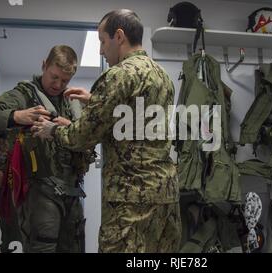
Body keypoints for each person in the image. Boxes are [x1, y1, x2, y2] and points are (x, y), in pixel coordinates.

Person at [32, 9, 181, 253]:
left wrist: (52, 130)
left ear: (119, 36)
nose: (101, 50)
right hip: (166, 193)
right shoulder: (161, 75)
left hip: (131, 199)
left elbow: (80, 138)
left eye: (102, 41)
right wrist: (95, 101)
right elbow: (136, 120)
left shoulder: (117, 75)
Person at [0, 45, 94, 253]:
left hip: (71, 197)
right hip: (32, 197)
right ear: (44, 65)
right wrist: (15, 116)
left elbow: (91, 139)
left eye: (65, 80)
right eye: (54, 77)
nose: (58, 84)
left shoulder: (72, 102)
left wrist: (70, 126)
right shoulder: (22, 96)